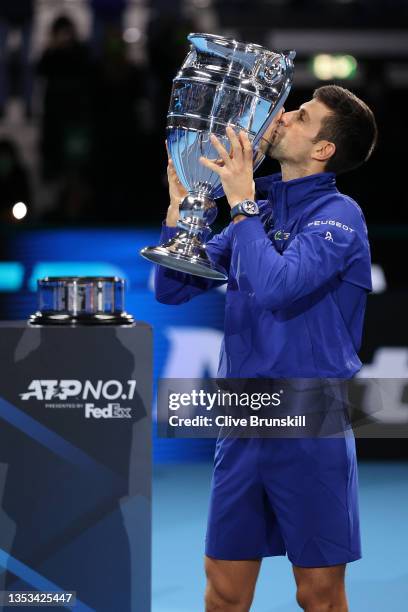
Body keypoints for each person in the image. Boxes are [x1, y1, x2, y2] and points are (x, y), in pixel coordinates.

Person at [154, 85, 378, 611]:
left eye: (301, 117)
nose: (281, 117)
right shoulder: (260, 206)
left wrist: (241, 204)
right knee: (224, 595)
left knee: (319, 596)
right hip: (243, 420)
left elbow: (278, 286)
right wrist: (180, 212)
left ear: (323, 149)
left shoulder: (340, 217)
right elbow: (172, 288)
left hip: (309, 421)